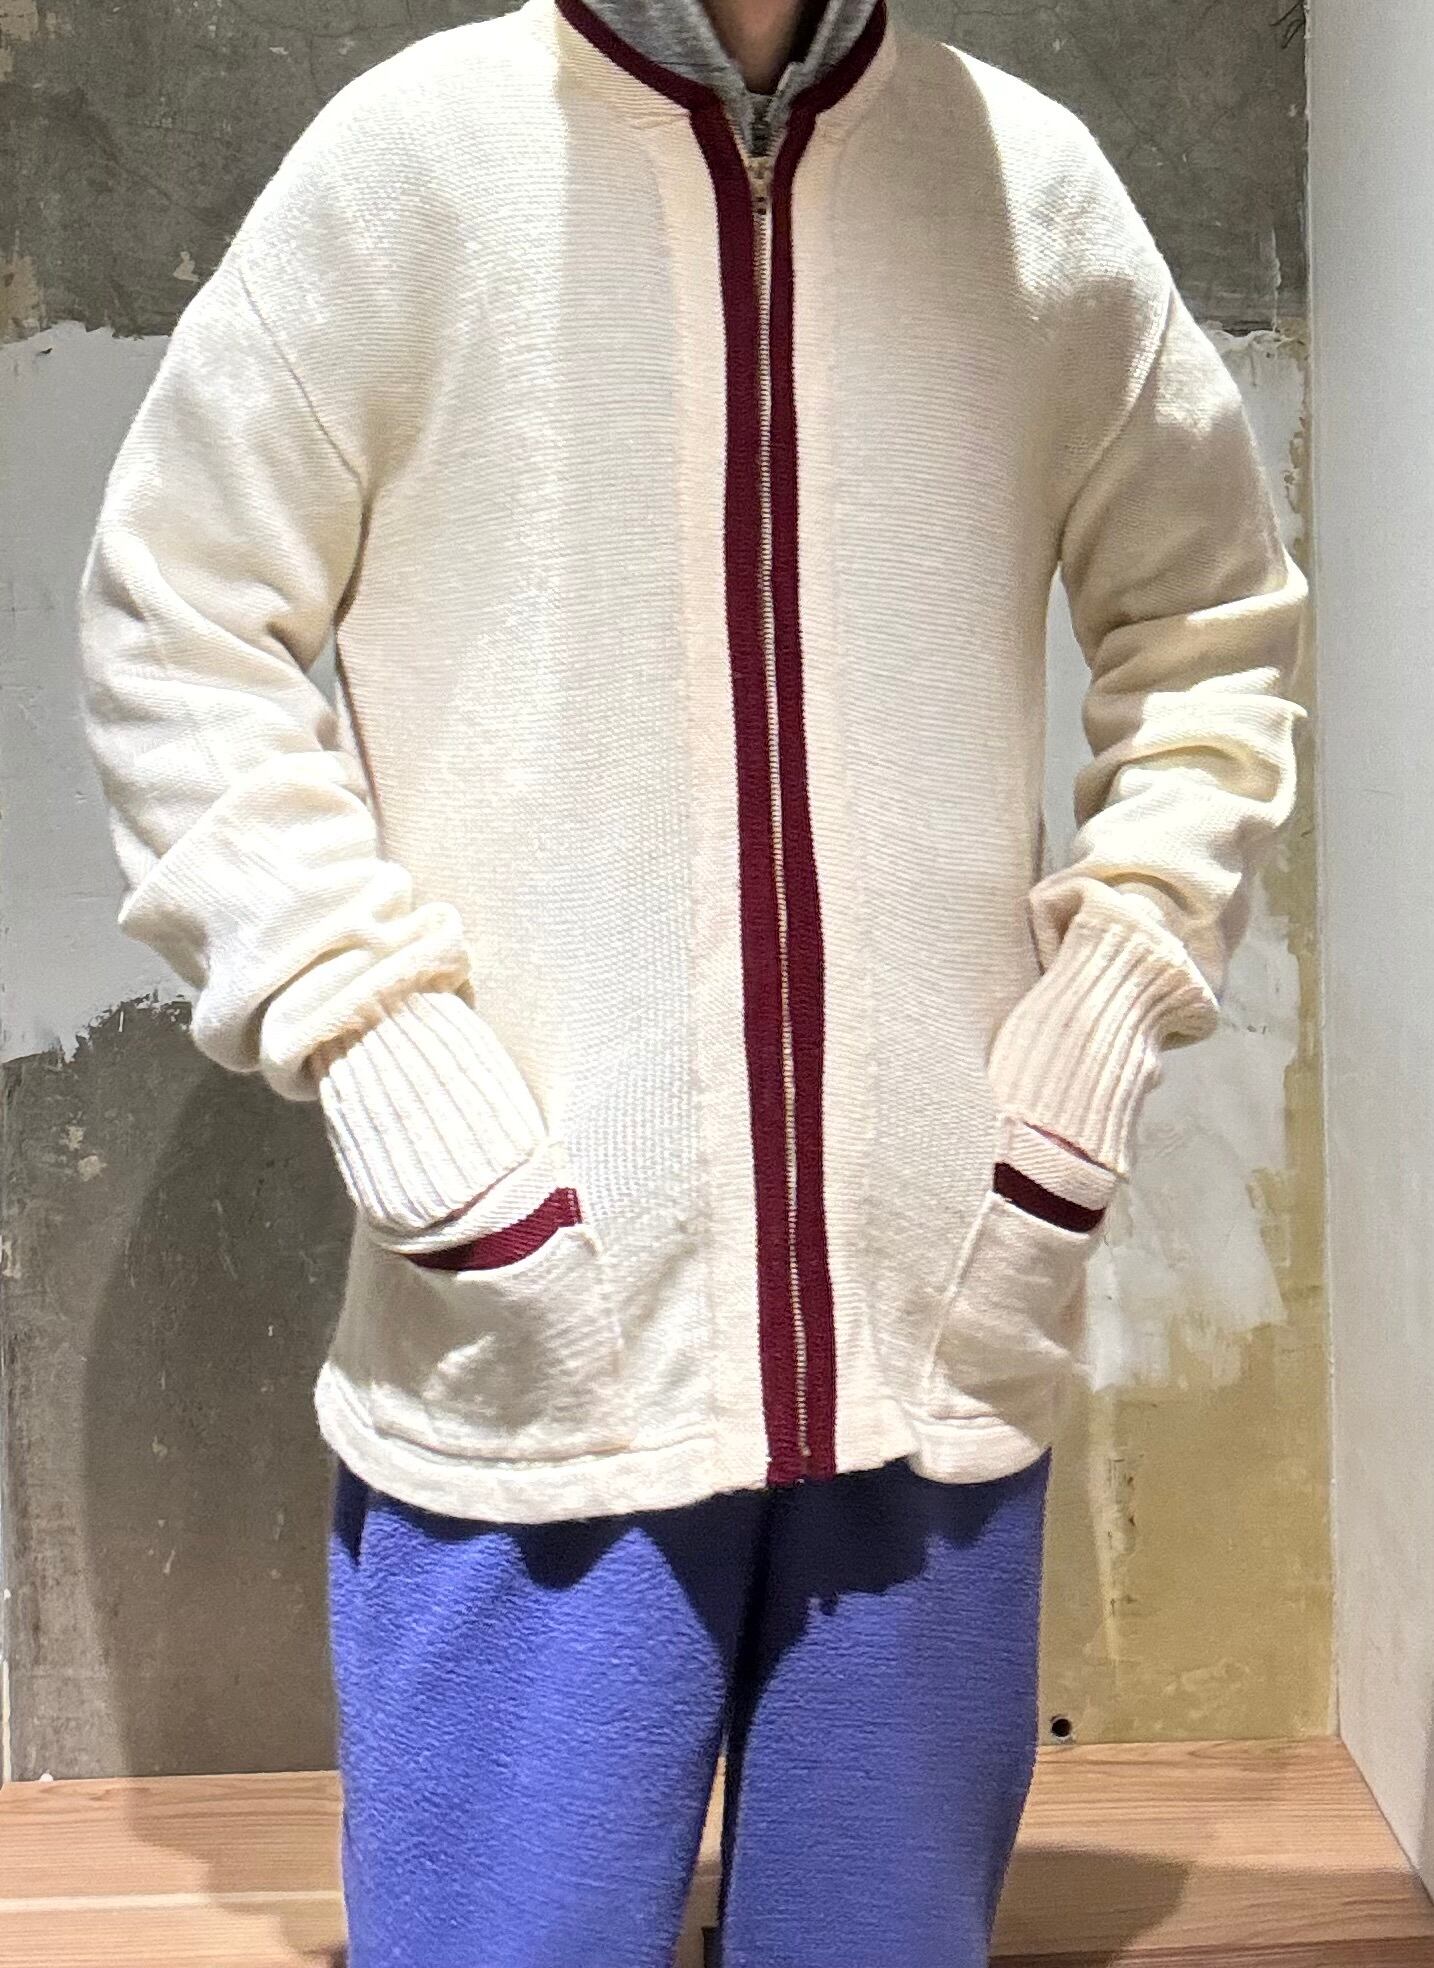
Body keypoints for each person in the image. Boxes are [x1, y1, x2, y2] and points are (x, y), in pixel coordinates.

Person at [75, 0, 1308, 1961]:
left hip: (941, 1321)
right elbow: (175, 625)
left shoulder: (1030, 193)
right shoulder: (413, 167)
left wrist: (1100, 1016)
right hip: (537, 1325)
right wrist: (392, 1058)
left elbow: (1212, 628)